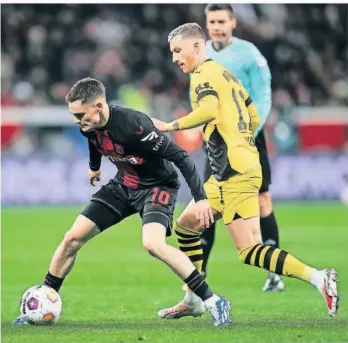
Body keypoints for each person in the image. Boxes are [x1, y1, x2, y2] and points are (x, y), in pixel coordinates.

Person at [152, 23, 339, 320]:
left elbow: (210, 110)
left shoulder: (202, 76)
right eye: (172, 52)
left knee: (249, 250)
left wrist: (169, 126)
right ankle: (193, 298)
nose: (174, 58)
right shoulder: (225, 74)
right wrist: (239, 141)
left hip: (234, 172)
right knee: (187, 224)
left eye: (178, 50)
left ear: (197, 48)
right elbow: (251, 114)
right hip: (234, 168)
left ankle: (319, 277)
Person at [13, 77, 231, 327]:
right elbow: (94, 140)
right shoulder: (88, 124)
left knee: (152, 243)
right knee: (72, 238)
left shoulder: (135, 125)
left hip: (157, 187)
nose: (77, 121)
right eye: (74, 115)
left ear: (98, 106)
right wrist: (94, 167)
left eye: (80, 114)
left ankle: (213, 300)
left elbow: (181, 157)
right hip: (123, 184)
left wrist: (201, 199)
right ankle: (44, 300)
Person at [201, 3, 284, 291]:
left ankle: (273, 274)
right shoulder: (201, 54)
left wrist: (251, 130)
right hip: (215, 138)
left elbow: (263, 95)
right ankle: (198, 277)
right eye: (212, 21)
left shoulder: (250, 54)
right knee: (207, 203)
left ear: (233, 23)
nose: (217, 26)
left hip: (249, 137)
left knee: (262, 200)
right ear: (207, 23)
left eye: (222, 20)